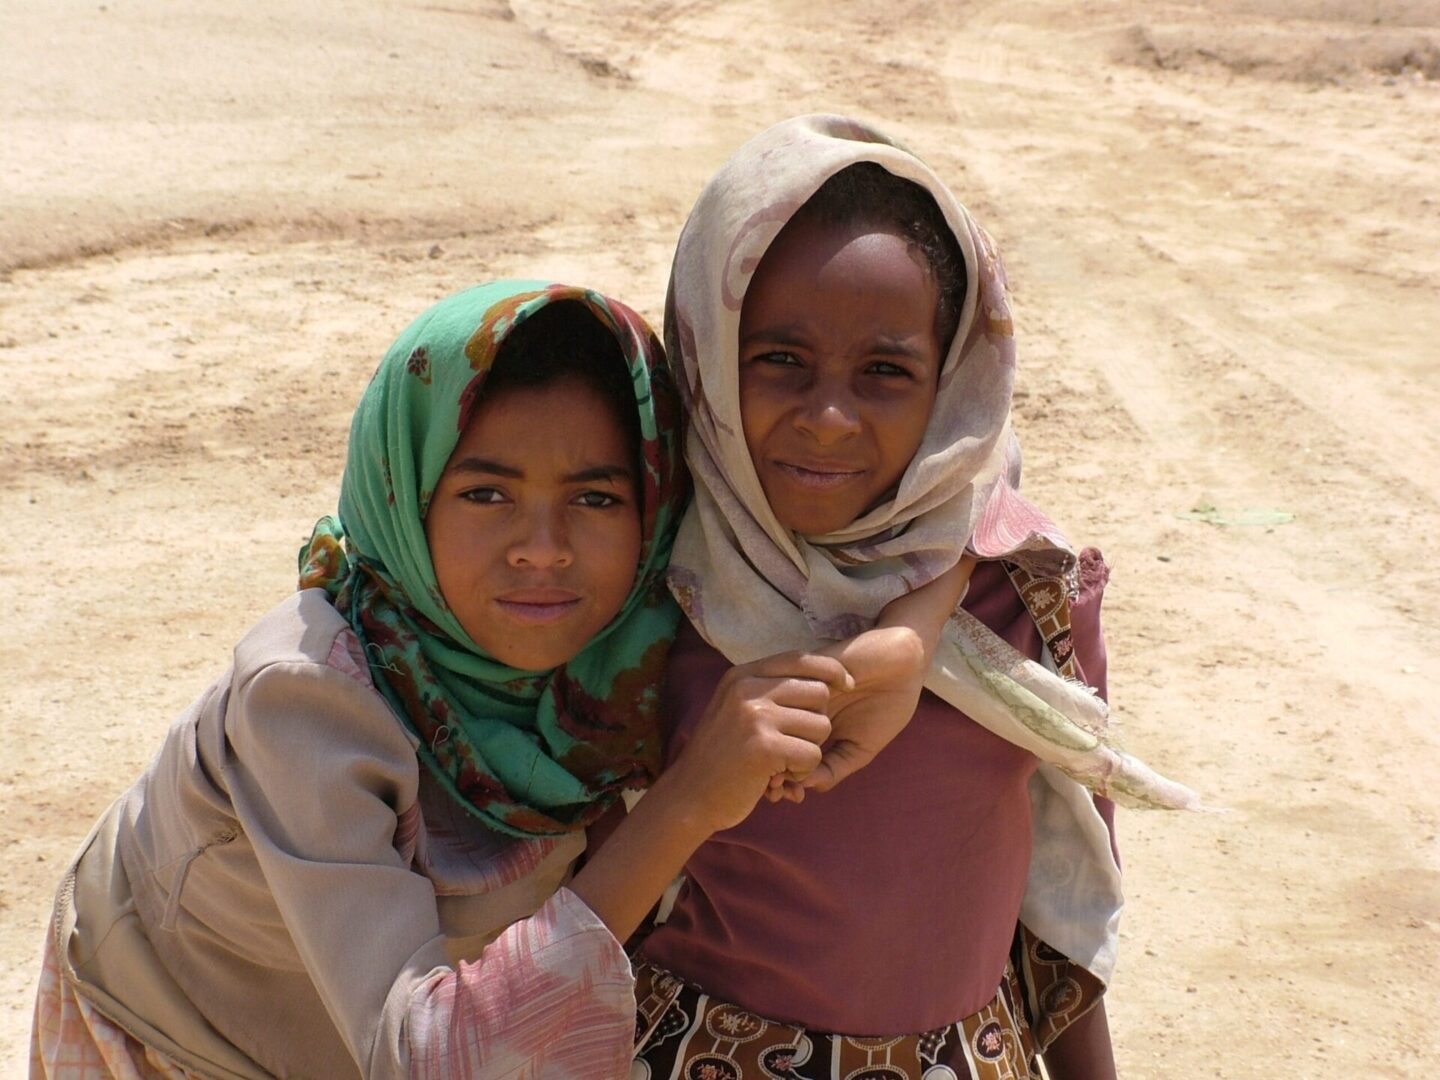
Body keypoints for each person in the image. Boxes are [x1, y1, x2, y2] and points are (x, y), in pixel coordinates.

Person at [29, 281, 851, 1079]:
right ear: (404, 496)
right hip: (184, 1028)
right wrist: (683, 806)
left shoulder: (635, 646)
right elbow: (419, 1059)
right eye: (485, 492)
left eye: (597, 498)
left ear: (655, 503)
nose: (542, 548)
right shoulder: (307, 698)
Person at [633, 116, 1200, 1080]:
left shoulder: (1022, 599)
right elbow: (571, 902)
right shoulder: (653, 592)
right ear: (706, 350)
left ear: (953, 390)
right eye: (779, 359)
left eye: (886, 372)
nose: (828, 418)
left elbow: (1056, 905)